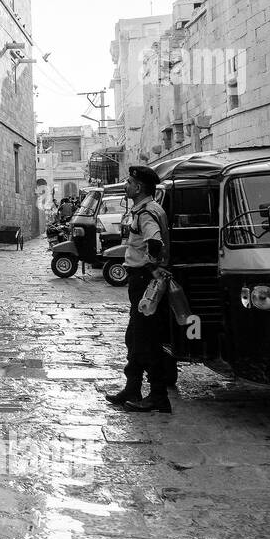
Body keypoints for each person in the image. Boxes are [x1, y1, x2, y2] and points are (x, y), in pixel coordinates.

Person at [104, 165, 174, 413]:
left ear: (139, 187)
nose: (126, 186)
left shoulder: (146, 213)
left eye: (129, 182)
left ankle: (158, 396)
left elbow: (154, 241)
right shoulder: (147, 209)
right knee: (134, 337)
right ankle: (132, 387)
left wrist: (152, 267)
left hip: (145, 280)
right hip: (142, 279)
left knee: (147, 340)